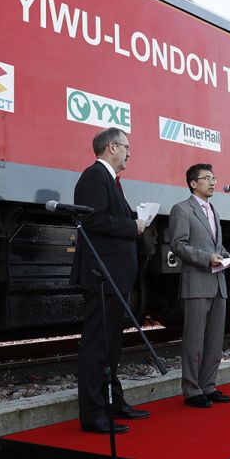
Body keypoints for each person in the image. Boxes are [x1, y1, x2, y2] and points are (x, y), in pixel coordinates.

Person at [71, 127, 149, 433]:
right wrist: (133, 226)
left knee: (112, 345)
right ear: (111, 147)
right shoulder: (94, 176)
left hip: (115, 277)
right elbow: (91, 219)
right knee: (97, 347)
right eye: (126, 146)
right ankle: (93, 415)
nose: (130, 152)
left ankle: (113, 403)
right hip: (102, 276)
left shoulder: (112, 181)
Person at [169, 164, 230, 407]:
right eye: (207, 178)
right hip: (196, 284)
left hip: (218, 283)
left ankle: (208, 385)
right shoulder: (182, 210)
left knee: (215, 340)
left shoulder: (213, 211)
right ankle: (192, 390)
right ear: (193, 183)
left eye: (214, 178)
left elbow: (216, 247)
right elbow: (179, 245)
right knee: (194, 340)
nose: (213, 182)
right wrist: (207, 258)